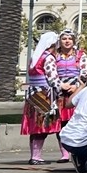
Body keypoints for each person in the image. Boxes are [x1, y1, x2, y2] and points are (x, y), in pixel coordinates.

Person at [21, 31, 63, 165]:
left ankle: (34, 155)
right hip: (44, 95)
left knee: (35, 127)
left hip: (33, 95)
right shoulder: (48, 58)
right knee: (41, 127)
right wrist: (60, 90)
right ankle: (36, 157)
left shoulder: (35, 57)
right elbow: (53, 78)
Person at [55, 29, 87, 163]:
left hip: (75, 93)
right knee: (60, 124)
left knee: (75, 122)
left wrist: (76, 86)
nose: (67, 41)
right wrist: (60, 85)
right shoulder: (54, 56)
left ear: (73, 41)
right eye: (64, 39)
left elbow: (85, 72)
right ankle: (64, 153)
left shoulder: (80, 55)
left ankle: (76, 150)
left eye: (69, 39)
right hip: (59, 93)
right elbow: (51, 72)